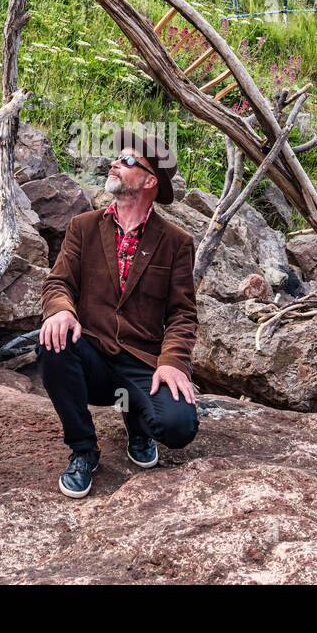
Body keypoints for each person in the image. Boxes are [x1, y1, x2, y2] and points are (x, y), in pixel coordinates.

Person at [37, 126, 200, 498]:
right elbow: (58, 282)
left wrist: (173, 361)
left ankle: (138, 423)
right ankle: (84, 449)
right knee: (52, 344)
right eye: (118, 156)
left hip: (142, 364)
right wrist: (61, 311)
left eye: (127, 160)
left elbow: (182, 314)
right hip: (92, 354)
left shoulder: (176, 243)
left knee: (178, 427)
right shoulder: (83, 227)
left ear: (148, 180)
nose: (114, 163)